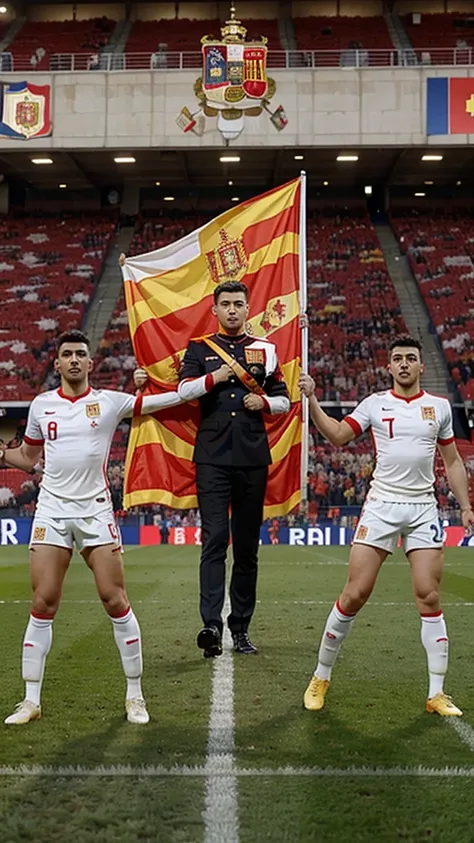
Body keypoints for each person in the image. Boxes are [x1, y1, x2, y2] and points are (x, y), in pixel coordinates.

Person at [0, 329, 183, 726]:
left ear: (90, 362)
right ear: (58, 363)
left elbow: (166, 400)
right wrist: (3, 452)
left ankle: (135, 694)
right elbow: (30, 455)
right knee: (43, 601)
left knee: (114, 599)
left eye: (81, 354)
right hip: (51, 509)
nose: (74, 360)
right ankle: (31, 700)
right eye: (67, 354)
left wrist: (208, 381)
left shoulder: (109, 402)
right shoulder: (41, 405)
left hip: (95, 510)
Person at [299, 335, 474, 716]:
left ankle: (436, 693)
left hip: (423, 507)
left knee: (428, 596)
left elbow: (453, 461)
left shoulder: (439, 407)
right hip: (381, 505)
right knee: (354, 594)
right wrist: (311, 398)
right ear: (389, 366)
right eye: (398, 359)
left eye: (412, 358)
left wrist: (465, 505)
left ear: (421, 366)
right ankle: (321, 675)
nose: (405, 364)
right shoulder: (375, 404)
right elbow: (338, 435)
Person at [177, 280, 290, 657]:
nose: (231, 310)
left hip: (252, 456)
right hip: (210, 456)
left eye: (238, 304)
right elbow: (184, 392)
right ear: (214, 309)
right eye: (225, 304)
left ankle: (240, 629)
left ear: (247, 309)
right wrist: (215, 377)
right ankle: (211, 625)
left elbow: (284, 400)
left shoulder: (266, 350)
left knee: (246, 548)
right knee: (212, 542)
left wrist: (266, 405)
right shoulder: (198, 349)